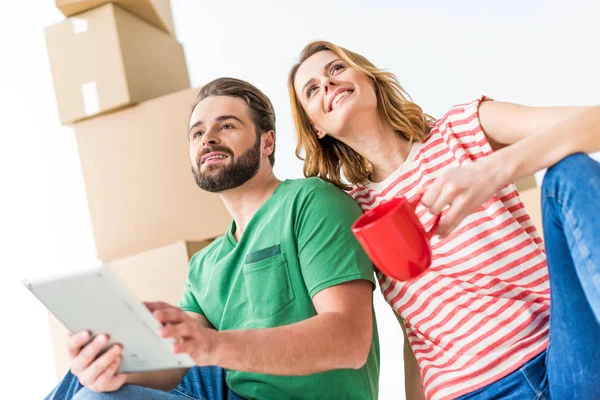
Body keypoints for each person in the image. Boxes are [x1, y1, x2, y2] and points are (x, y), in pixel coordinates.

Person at [288, 40, 600, 400]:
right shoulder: (350, 212)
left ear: (367, 77)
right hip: (473, 390)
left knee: (569, 171)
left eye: (336, 69)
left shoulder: (463, 129)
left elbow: (591, 121)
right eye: (312, 89)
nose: (327, 84)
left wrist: (495, 168)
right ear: (316, 127)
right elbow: (412, 329)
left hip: (564, 350)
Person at [46, 77, 380, 400]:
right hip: (228, 390)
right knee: (90, 377)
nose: (208, 138)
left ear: (267, 142)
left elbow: (349, 342)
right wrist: (107, 368)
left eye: (227, 126)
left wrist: (211, 345)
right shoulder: (204, 264)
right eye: (198, 133)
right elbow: (173, 366)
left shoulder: (310, 201)